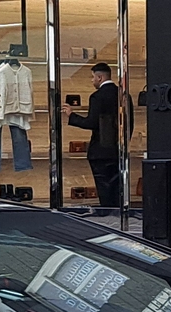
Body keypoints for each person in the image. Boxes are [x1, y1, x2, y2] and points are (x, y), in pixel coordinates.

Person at [69, 61, 123, 208]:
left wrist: (72, 116)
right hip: (118, 149)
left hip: (100, 150)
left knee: (104, 188)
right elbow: (128, 123)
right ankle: (117, 213)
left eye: (93, 77)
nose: (92, 80)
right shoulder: (124, 95)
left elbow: (92, 122)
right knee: (117, 188)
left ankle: (107, 213)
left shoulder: (97, 97)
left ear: (100, 77)